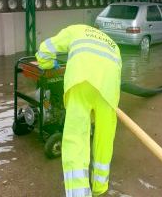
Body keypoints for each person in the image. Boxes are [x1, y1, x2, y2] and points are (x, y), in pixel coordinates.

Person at [35, 24, 122, 197]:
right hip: (109, 91)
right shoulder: (113, 44)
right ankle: (99, 188)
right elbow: (117, 75)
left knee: (76, 140)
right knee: (104, 141)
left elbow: (45, 50)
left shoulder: (76, 29)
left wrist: (48, 64)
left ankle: (79, 194)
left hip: (80, 82)